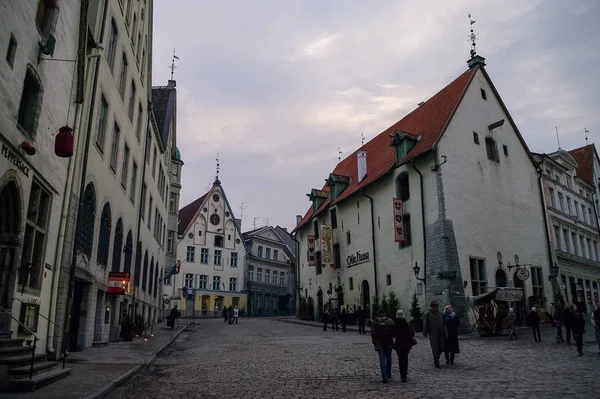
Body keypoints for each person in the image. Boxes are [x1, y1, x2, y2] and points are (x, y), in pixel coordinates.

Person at [371, 309, 395, 383]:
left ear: (378, 314)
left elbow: (373, 333)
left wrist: (374, 341)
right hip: (388, 342)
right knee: (388, 358)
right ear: (384, 313)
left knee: (382, 361)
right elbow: (394, 331)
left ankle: (384, 377)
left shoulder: (375, 322)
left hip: (379, 343)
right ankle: (388, 374)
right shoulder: (389, 321)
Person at [423, 300, 446, 368]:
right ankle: (436, 360)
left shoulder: (440, 314)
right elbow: (425, 323)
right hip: (433, 333)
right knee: (435, 347)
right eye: (433, 306)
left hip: (441, 333)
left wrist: (446, 332)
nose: (435, 307)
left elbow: (443, 324)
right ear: (432, 306)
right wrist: (425, 332)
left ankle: (437, 357)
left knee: (441, 347)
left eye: (436, 306)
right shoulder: (428, 314)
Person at [393, 310, 414, 383]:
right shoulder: (406, 323)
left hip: (399, 344)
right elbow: (412, 333)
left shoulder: (395, 323)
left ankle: (402, 374)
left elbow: (393, 334)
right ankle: (405, 373)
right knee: (405, 358)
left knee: (400, 359)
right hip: (407, 344)